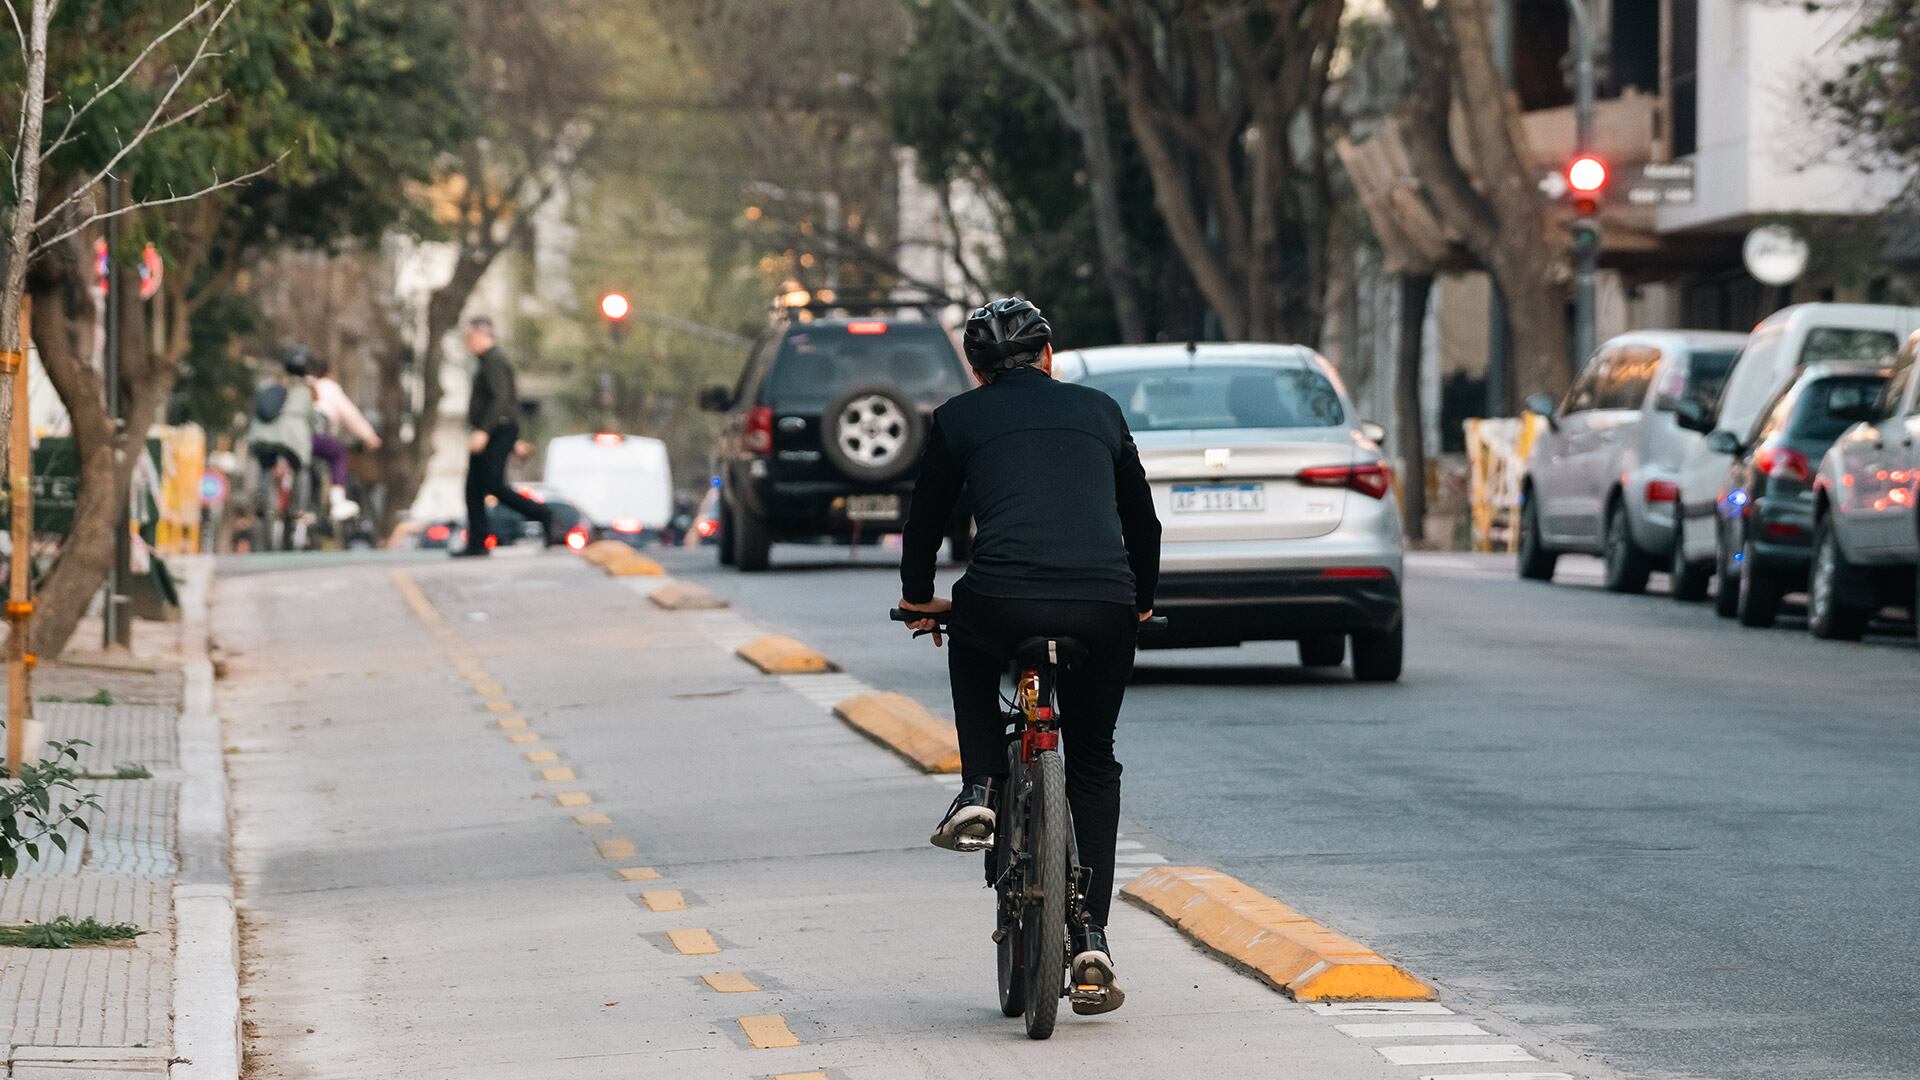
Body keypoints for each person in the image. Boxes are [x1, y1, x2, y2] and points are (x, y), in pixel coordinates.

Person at [896, 296, 1160, 1014]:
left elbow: (926, 518)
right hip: (1104, 605)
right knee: (1094, 758)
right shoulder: (1100, 411)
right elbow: (1141, 517)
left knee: (968, 647)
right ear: (1050, 355)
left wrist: (919, 598)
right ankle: (1092, 939)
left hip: (1003, 599)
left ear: (977, 373)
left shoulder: (958, 418)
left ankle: (979, 790)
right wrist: (1140, 600)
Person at [456, 315, 553, 557]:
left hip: (494, 430)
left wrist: (485, 431)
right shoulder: (487, 361)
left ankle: (543, 514)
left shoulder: (494, 361)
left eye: (469, 336)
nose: (468, 342)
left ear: (481, 335)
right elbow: (508, 399)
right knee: (473, 488)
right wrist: (513, 439)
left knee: (492, 483)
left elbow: (501, 399)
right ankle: (477, 541)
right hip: (498, 430)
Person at [246, 348, 320, 525]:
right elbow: (312, 419)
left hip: (263, 436)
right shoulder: (305, 390)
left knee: (266, 465)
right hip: (293, 439)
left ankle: (262, 492)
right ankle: (299, 507)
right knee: (302, 468)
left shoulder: (271, 384)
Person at [304, 354, 381, 522]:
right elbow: (350, 414)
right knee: (339, 454)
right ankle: (337, 501)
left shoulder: (298, 384)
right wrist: (369, 436)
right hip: (317, 436)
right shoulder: (328, 386)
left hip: (293, 438)